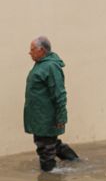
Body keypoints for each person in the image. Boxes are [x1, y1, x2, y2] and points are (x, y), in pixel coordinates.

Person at [23, 36, 79, 171]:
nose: (29, 53)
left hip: (46, 118)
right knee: (52, 144)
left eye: (32, 50)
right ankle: (76, 162)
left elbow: (59, 94)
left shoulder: (51, 67)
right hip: (40, 118)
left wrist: (61, 117)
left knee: (45, 151)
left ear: (41, 50)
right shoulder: (41, 64)